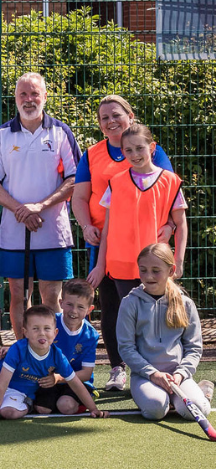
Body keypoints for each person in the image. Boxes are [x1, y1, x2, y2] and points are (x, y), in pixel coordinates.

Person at [70, 95, 174, 390]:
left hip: (146, 246)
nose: (110, 121)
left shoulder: (149, 149)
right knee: (111, 307)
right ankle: (117, 369)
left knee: (149, 309)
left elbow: (168, 191)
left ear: (130, 116)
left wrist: (169, 226)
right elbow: (79, 197)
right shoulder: (91, 155)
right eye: (104, 118)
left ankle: (154, 367)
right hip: (106, 246)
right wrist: (87, 225)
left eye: (116, 115)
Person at [87, 124, 188, 391]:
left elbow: (181, 223)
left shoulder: (170, 181)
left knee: (156, 320)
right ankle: (120, 370)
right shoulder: (116, 182)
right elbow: (107, 228)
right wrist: (100, 263)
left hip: (155, 266)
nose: (134, 154)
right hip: (120, 264)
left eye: (140, 148)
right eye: (128, 150)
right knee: (123, 318)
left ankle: (156, 372)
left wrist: (179, 258)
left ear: (152, 148)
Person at [0, 72, 79, 337]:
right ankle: (24, 356)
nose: (29, 99)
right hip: (15, 231)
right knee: (18, 294)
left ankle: (53, 355)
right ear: (15, 99)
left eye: (34, 93)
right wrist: (21, 210)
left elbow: (75, 179)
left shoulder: (61, 132)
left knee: (52, 296)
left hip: (53, 230)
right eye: (23, 94)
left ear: (45, 96)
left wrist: (40, 206)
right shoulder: (2, 135)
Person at [116, 243, 213, 421]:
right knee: (155, 410)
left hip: (178, 376)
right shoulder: (130, 303)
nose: (148, 276)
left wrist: (181, 373)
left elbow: (194, 347)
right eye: (143, 270)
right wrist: (153, 374)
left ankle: (200, 394)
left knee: (198, 410)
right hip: (145, 376)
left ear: (171, 270)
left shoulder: (185, 304)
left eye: (155, 270)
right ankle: (160, 398)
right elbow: (126, 348)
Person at [0, 305, 107, 422]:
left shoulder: (57, 356)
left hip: (19, 391)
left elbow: (76, 383)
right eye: (35, 329)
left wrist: (94, 409)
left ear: (55, 333)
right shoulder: (17, 349)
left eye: (47, 329)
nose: (42, 334)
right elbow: (2, 383)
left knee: (8, 413)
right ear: (26, 332)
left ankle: (27, 405)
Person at [33, 279, 100, 414]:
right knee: (42, 409)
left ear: (89, 310)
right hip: (49, 378)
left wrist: (58, 378)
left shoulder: (91, 335)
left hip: (76, 381)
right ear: (61, 303)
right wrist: (11, 349)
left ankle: (82, 401)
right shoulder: (49, 323)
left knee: (66, 406)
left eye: (80, 307)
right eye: (69, 304)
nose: (73, 311)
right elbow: (29, 344)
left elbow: (86, 374)